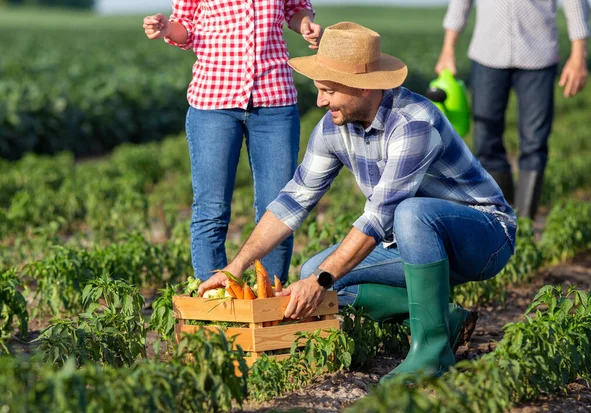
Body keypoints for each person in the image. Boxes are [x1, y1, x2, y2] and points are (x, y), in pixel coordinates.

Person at [197, 22, 517, 381]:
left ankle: (432, 354)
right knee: (313, 275)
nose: (320, 100)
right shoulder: (333, 127)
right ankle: (446, 319)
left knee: (401, 218)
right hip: (412, 241)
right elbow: (293, 201)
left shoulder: (413, 121)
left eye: (328, 90)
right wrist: (235, 268)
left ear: (363, 87)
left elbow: (380, 217)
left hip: (483, 237)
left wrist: (321, 279)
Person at [142, 0, 322, 283]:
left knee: (278, 209)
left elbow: (295, 8)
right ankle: (212, 303)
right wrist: (167, 28)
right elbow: (185, 28)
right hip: (213, 102)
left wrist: (306, 25)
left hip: (274, 99)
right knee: (211, 210)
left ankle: (269, 303)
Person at [435, 0, 591, 219]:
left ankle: (525, 223)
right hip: (487, 54)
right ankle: (502, 219)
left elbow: (575, 3)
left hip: (539, 57)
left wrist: (578, 56)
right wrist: (447, 49)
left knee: (535, 142)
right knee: (486, 142)